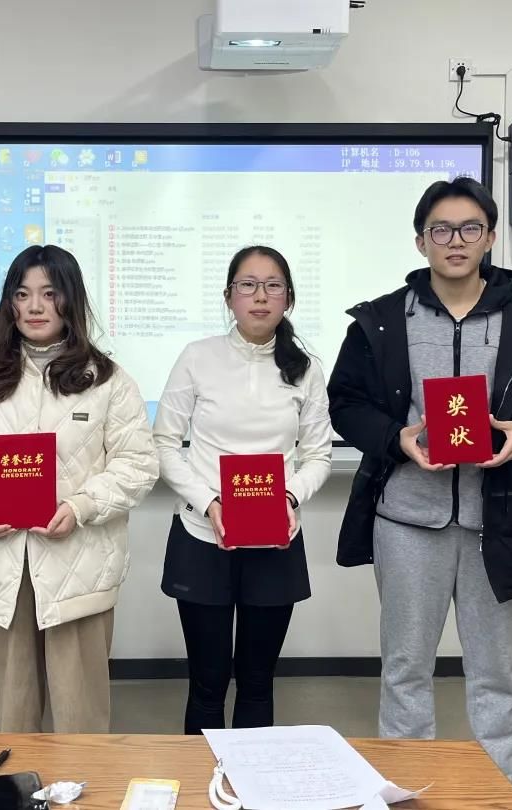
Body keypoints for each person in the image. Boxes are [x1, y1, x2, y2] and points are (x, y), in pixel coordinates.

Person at [327, 176, 512, 789]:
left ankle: (497, 795)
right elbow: (346, 403)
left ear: (489, 238)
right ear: (421, 242)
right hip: (407, 521)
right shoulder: (382, 320)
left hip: (498, 519)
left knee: (496, 674)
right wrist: (397, 438)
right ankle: (406, 793)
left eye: (470, 228)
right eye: (440, 229)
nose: (456, 240)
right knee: (405, 671)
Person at [0, 243, 158, 733]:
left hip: (79, 568)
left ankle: (81, 784)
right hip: (3, 570)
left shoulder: (108, 381)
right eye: (22, 294)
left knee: (80, 722)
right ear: (10, 304)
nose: (35, 306)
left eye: (49, 293)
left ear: (70, 299)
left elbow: (138, 464)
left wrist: (80, 506)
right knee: (14, 718)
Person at [154, 245, 333, 734]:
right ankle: (201, 777)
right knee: (207, 683)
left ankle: (253, 779)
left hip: (275, 541)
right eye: (248, 285)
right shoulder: (198, 357)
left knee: (257, 682)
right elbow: (164, 443)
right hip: (202, 537)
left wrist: (288, 498)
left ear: (288, 298)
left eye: (273, 286)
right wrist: (208, 502)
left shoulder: (306, 368)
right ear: (229, 296)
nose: (260, 296)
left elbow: (319, 455)